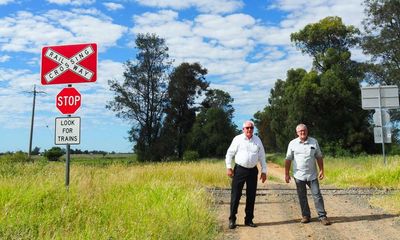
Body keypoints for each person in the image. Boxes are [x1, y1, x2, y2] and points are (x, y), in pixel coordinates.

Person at [284, 123, 331, 226]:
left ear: (307, 131)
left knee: (317, 195)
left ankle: (322, 216)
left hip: (312, 175)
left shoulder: (314, 142)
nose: (302, 132)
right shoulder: (292, 143)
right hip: (299, 175)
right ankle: (306, 216)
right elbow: (288, 159)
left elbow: (319, 156)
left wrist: (322, 170)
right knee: (302, 196)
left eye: (304, 130)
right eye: (300, 131)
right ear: (297, 133)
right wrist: (286, 174)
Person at [225, 120, 267, 229]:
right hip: (239, 170)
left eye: (251, 128)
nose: (249, 130)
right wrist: (229, 167)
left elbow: (262, 156)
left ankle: (248, 220)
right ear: (243, 129)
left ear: (253, 129)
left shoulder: (257, 140)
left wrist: (264, 171)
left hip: (253, 171)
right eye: (247, 128)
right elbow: (229, 154)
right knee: (236, 195)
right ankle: (232, 219)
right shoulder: (237, 139)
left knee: (251, 196)